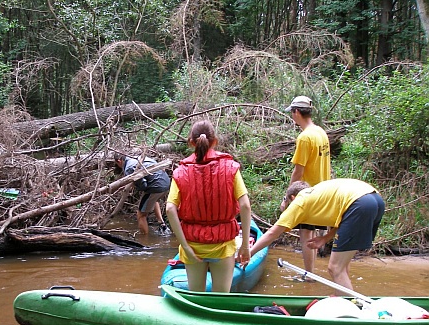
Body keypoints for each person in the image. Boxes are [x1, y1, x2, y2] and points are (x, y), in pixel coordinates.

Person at [246, 179, 385, 291]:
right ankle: (343, 297)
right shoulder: (317, 194)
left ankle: (350, 310)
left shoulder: (299, 202)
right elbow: (344, 219)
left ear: (292, 198)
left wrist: (249, 253)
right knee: (342, 265)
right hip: (375, 199)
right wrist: (324, 238)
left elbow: (272, 233)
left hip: (359, 204)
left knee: (335, 268)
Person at [165, 120, 251, 292]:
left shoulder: (181, 172)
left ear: (191, 142)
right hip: (223, 245)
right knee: (221, 299)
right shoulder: (230, 168)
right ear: (215, 141)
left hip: (193, 244)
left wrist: (186, 247)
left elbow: (169, 209)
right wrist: (245, 247)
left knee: (196, 298)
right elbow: (245, 206)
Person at [282, 95, 331, 274]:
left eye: (292, 113)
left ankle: (309, 275)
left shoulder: (305, 138)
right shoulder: (320, 132)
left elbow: (298, 171)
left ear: (297, 112)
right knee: (312, 233)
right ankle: (313, 273)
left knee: (305, 234)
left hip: (308, 193)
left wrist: (287, 198)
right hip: (323, 191)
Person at [114, 153, 171, 235]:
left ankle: (144, 241)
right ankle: (162, 224)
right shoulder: (139, 157)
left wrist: (135, 186)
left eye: (117, 164)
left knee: (141, 215)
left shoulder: (129, 168)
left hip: (155, 187)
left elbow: (143, 185)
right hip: (166, 183)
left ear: (119, 161)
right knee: (154, 199)